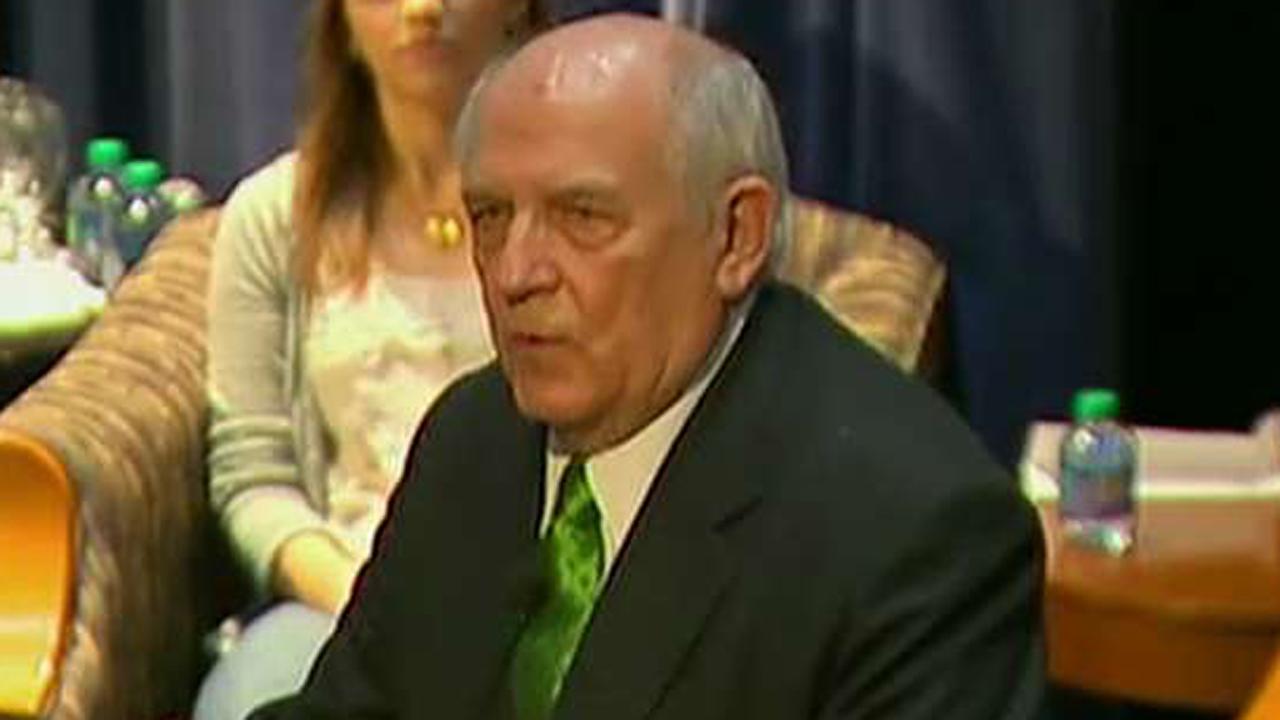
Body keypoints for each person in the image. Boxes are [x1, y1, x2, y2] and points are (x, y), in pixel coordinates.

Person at [252, 13, 1045, 719]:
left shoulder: (916, 534)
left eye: (582, 216)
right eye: (492, 216)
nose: (515, 272)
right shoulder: (473, 435)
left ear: (736, 236)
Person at [198, 0, 549, 717]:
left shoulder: (581, 208)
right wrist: (364, 601)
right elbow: (252, 476)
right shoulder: (273, 215)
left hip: (547, 589)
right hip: (345, 596)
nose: (423, 9)